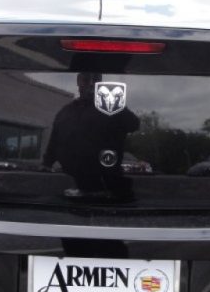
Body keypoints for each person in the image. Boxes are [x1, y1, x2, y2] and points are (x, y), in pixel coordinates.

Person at [42, 72, 139, 200]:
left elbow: (133, 125)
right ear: (78, 81)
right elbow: (53, 145)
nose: (91, 83)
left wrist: (116, 103)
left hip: (110, 192)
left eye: (96, 80)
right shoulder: (65, 112)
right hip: (70, 191)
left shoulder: (112, 107)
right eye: (86, 79)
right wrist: (45, 165)